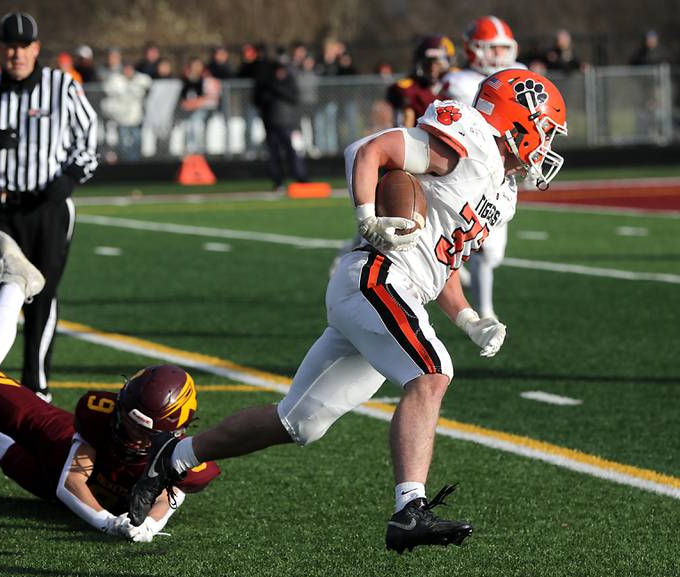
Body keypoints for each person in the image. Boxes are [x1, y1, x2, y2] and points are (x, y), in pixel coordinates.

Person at [128, 68, 568, 553]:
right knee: (431, 372)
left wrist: (470, 319)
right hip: (374, 276)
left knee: (297, 423)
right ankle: (410, 509)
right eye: (545, 128)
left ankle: (174, 457)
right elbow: (370, 151)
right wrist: (368, 216)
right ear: (518, 118)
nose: (547, 143)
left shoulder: (501, 191)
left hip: (394, 289)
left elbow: (440, 263)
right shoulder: (468, 140)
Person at [0, 230, 219, 540]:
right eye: (128, 417)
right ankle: (17, 282)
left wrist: (149, 524)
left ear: (173, 432)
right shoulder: (100, 416)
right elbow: (71, 482)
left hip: (89, 489)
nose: (129, 431)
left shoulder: (187, 457)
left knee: (25, 469)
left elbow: (169, 496)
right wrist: (110, 525)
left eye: (143, 429)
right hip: (64, 448)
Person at [0, 11, 98, 402]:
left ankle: (37, 383)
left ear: (36, 49)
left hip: (47, 207)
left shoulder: (61, 87)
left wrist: (67, 180)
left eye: (24, 46)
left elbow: (90, 141)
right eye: (9, 46)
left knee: (42, 293)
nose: (16, 54)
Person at [440, 15, 523, 320]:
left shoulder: (520, 75)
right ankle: (483, 311)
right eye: (493, 48)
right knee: (480, 247)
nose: (499, 55)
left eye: (503, 48)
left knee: (493, 253)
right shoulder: (459, 81)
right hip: (464, 170)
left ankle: (456, 266)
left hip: (503, 173)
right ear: (473, 49)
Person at [254, 55, 308, 191]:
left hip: (288, 123)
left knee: (293, 151)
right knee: (274, 153)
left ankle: (299, 177)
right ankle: (278, 180)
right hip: (271, 123)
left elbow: (294, 98)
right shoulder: (266, 84)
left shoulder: (288, 83)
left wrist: (276, 89)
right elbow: (258, 100)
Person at [387, 35, 455, 129]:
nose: (433, 68)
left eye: (438, 62)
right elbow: (404, 128)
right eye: (428, 62)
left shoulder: (457, 85)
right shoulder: (410, 89)